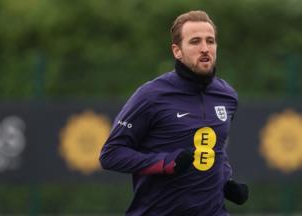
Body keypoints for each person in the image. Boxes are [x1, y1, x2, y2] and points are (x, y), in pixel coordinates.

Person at [99, 10, 248, 215]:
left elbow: (213, 148)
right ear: (177, 51)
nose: (205, 48)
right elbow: (111, 155)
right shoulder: (151, 95)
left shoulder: (227, 95)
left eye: (210, 41)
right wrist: (165, 163)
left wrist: (226, 181)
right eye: (195, 41)